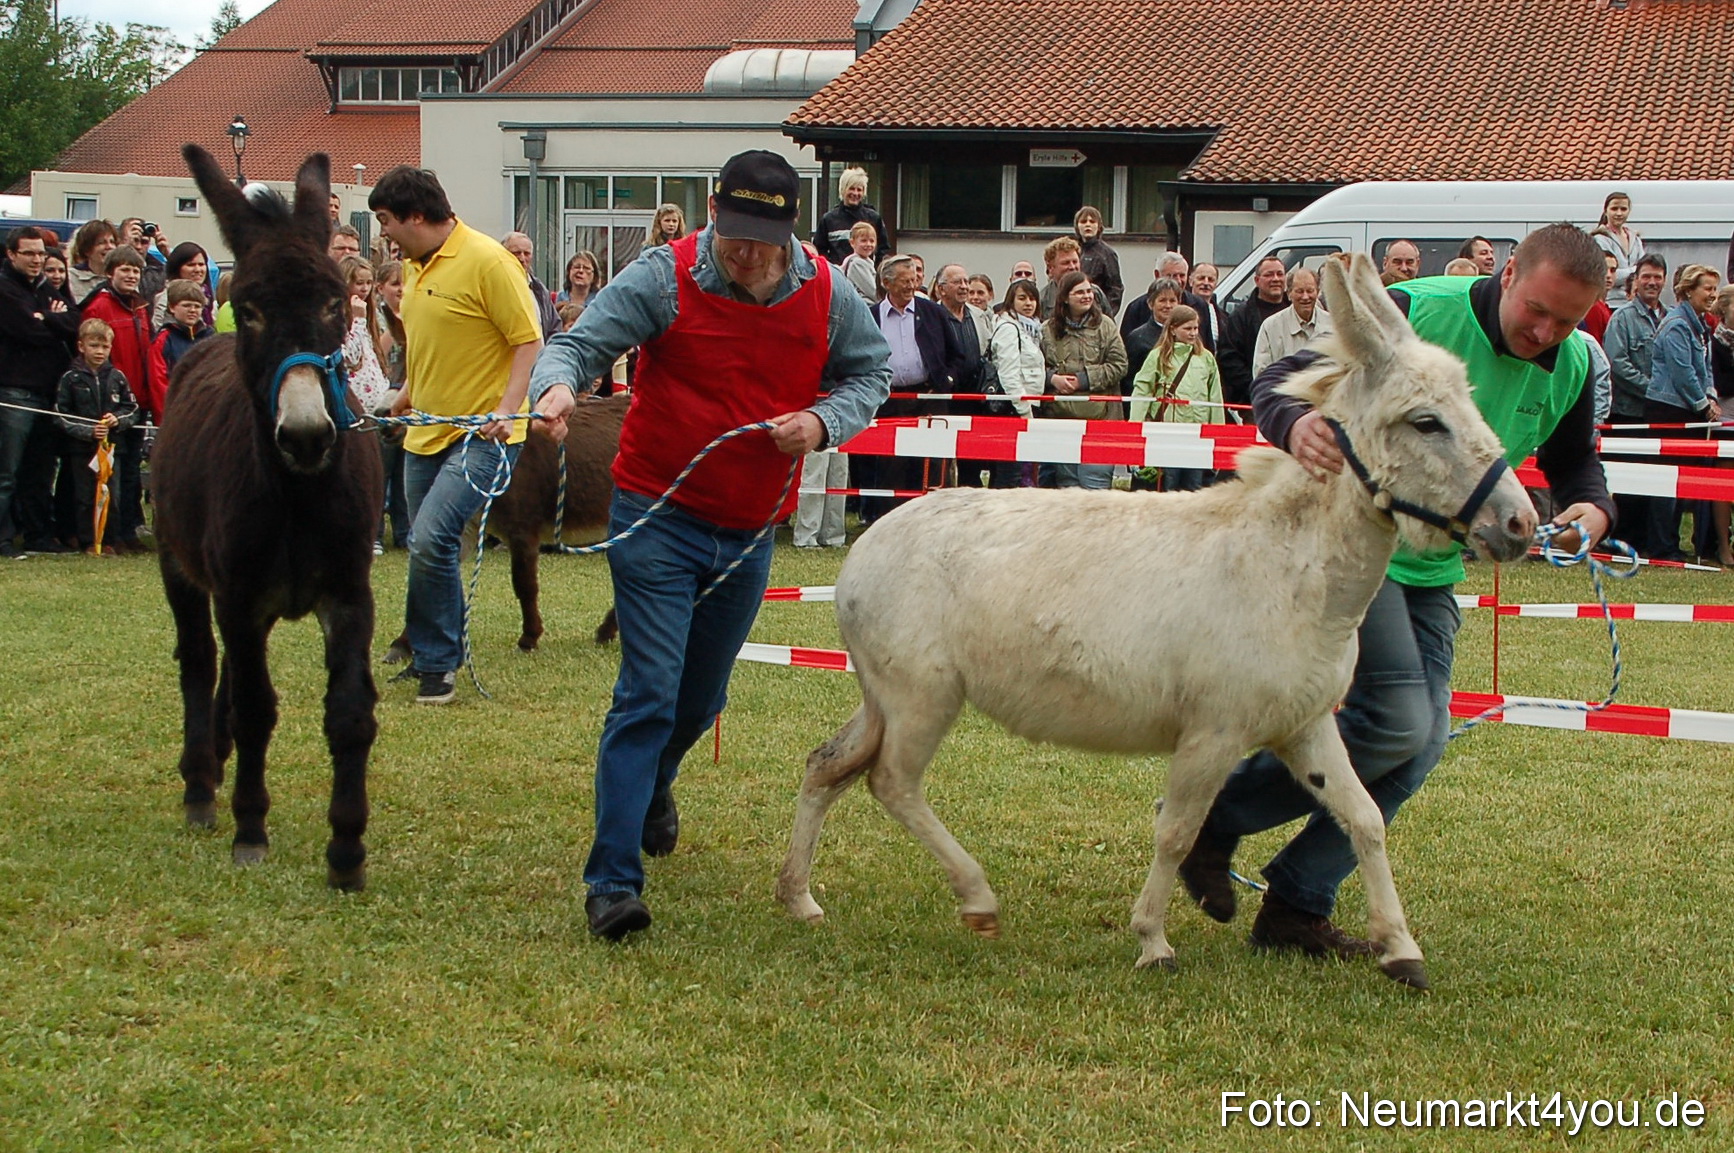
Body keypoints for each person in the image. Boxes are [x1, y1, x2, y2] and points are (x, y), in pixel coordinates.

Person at [1179, 226, 1615, 958]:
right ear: (1509, 273)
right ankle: (1213, 818)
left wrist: (1594, 508)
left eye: (1566, 322)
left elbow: (1576, 462)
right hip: (1355, 552)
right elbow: (1277, 378)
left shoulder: (1570, 365)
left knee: (1419, 744)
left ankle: (1293, 901)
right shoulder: (1416, 310)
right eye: (1537, 310)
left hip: (1434, 567)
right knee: (1399, 721)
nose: (1546, 333)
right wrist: (1297, 423)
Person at [528, 149, 891, 939]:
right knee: (649, 691)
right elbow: (577, 346)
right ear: (713, 213)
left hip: (750, 529)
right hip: (655, 513)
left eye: (764, 241)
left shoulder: (827, 292)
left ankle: (655, 781)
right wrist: (555, 388)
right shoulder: (663, 276)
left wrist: (823, 420)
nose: (746, 254)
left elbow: (872, 375)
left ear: (791, 233)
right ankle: (612, 881)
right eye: (734, 235)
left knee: (699, 699)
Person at [370, 165, 544, 705]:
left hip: (484, 437)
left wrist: (506, 410)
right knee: (426, 546)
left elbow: (529, 342)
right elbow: (432, 349)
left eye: (386, 220)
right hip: (425, 432)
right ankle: (432, 650)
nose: (384, 233)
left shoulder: (489, 261)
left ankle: (439, 664)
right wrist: (401, 399)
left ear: (416, 216)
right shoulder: (414, 266)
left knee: (431, 537)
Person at [862, 253, 963, 523]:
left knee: (931, 465)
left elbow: (957, 356)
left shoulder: (933, 312)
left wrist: (945, 382)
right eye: (904, 281)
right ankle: (889, 522)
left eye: (914, 279)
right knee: (891, 466)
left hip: (929, 399)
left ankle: (933, 522)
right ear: (886, 283)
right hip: (889, 401)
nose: (911, 286)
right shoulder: (871, 316)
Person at [1, 226, 80, 558]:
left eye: (40, 253)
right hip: (15, 392)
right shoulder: (5, 289)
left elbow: (75, 322)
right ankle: (3, 538)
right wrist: (52, 321)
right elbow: (28, 331)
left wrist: (45, 317)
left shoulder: (45, 287)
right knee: (7, 472)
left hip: (49, 392)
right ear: (11, 254)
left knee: (40, 471)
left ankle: (39, 535)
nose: (36, 260)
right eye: (29, 253)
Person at [79, 245, 162, 553]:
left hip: (137, 399)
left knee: (130, 472)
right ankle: (107, 534)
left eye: (136, 270)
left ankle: (129, 531)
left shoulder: (139, 307)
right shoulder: (99, 306)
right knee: (109, 472)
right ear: (110, 272)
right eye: (125, 269)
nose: (131, 275)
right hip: (112, 403)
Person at [1642, 263, 1720, 563]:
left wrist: (1710, 396)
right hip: (1669, 410)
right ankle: (1662, 545)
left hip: (1690, 408)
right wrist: (1703, 404)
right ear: (1689, 291)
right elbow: (1682, 373)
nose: (1712, 295)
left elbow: (1705, 368)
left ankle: (1671, 542)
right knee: (1666, 481)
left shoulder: (1700, 325)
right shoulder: (1676, 325)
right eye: (1707, 288)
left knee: (1682, 480)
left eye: (1715, 289)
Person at [54, 318, 138, 554]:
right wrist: (88, 431)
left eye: (105, 346)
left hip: (112, 448)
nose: (100, 351)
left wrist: (117, 420)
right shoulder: (71, 378)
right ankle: (88, 541)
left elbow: (132, 409)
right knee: (85, 497)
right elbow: (60, 415)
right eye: (94, 346)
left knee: (112, 495)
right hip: (82, 449)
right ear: (81, 346)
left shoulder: (117, 377)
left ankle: (110, 540)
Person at [1039, 271, 1126, 489]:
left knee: (1096, 487)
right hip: (1061, 421)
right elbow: (1034, 367)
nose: (1086, 296)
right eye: (1079, 292)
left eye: (1089, 291)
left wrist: (1083, 380)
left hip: (1101, 421)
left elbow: (1119, 365)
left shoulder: (1106, 326)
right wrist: (1052, 379)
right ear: (1065, 298)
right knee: (1067, 487)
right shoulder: (1047, 329)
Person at [1129, 304, 1224, 489]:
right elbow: (1142, 390)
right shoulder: (1158, 356)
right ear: (1173, 329)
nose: (1193, 333)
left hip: (1197, 435)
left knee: (1194, 488)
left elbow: (1215, 398)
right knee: (1168, 486)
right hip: (1167, 434)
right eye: (1187, 328)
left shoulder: (1206, 358)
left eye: (1195, 328)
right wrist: (1135, 428)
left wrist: (1217, 435)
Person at [372, 260, 411, 550]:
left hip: (409, 402)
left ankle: (404, 532)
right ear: (380, 288)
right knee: (381, 469)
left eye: (405, 283)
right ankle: (374, 533)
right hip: (385, 398)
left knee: (403, 471)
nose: (401, 290)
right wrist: (396, 325)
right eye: (395, 284)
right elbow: (380, 355)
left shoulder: (418, 317)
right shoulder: (377, 320)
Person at [1216, 255, 1288, 407]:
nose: (1276, 279)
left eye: (1280, 274)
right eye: (1269, 275)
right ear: (1257, 280)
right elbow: (1229, 359)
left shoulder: (1294, 312)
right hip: (1254, 403)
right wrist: (1256, 388)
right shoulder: (1241, 316)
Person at [1252, 265, 1334, 376]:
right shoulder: (1270, 327)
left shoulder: (1332, 325)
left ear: (1318, 292)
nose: (1305, 297)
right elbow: (1261, 374)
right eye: (1299, 291)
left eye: (1310, 291)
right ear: (1289, 294)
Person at [990, 279, 1046, 426]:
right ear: (1011, 301)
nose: (1028, 303)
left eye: (1032, 299)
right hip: (1016, 407)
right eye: (1022, 298)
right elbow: (1008, 375)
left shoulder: (1034, 329)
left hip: (1032, 401)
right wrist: (1025, 411)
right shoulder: (1009, 328)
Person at [814, 166, 891, 266]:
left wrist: (875, 270)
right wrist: (830, 269)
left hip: (865, 273)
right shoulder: (828, 220)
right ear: (843, 190)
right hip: (837, 274)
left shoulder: (873, 218)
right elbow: (819, 250)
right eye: (851, 189)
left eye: (859, 190)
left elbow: (884, 250)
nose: (855, 193)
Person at [1122, 277, 1182, 387]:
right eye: (1162, 300)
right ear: (1150, 304)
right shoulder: (1137, 338)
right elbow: (1129, 380)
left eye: (1172, 301)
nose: (1168, 306)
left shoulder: (1187, 335)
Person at [150, 280, 214, 383]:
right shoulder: (163, 340)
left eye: (197, 306)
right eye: (186, 305)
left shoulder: (210, 336)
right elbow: (158, 380)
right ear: (172, 307)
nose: (192, 310)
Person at [501, 231, 560, 339]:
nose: (522, 258)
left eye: (527, 253)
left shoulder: (539, 290)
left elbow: (554, 328)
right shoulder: (496, 287)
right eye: (516, 253)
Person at [1592, 191, 1645, 305]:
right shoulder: (1600, 239)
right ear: (1606, 211)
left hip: (1633, 301)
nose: (1619, 213)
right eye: (1614, 209)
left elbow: (1644, 270)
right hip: (1610, 302)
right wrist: (1636, 271)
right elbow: (1607, 275)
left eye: (1623, 209)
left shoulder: (1635, 239)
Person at [1073, 206, 1123, 315]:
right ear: (1077, 226)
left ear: (1099, 226)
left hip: (1096, 312)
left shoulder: (1107, 254)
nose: (1088, 225)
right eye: (1083, 221)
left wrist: (1104, 314)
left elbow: (1115, 289)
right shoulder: (1072, 250)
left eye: (1092, 221)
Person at [66, 220, 117, 303]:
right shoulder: (71, 277)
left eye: (112, 242)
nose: (109, 246)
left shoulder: (121, 277)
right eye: (101, 242)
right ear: (87, 250)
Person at [1038, 236, 1085, 315]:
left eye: (1075, 262)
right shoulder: (1042, 301)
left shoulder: (1095, 294)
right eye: (1066, 263)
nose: (1072, 267)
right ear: (1051, 268)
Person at [1580, 251, 1618, 343]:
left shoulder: (1603, 306)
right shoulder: (1594, 307)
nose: (1608, 275)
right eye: (1604, 269)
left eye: (1613, 270)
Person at [839, 221, 878, 303]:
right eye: (863, 241)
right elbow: (872, 291)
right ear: (852, 243)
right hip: (864, 304)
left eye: (872, 241)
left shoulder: (865, 261)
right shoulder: (857, 263)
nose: (868, 244)